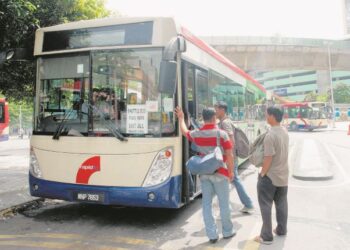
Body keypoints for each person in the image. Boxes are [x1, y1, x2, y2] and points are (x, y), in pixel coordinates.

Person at [175, 106, 236, 243]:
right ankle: (227, 231)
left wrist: (180, 117)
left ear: (203, 118)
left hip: (204, 174)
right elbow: (229, 155)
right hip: (221, 173)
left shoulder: (197, 133)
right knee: (224, 204)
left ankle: (212, 235)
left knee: (206, 205)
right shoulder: (222, 134)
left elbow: (185, 132)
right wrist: (231, 172)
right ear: (214, 118)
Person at [254, 106, 289, 245]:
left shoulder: (270, 135)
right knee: (281, 203)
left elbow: (268, 158)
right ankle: (281, 229)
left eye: (267, 115)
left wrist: (263, 173)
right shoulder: (285, 132)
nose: (265, 117)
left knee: (265, 205)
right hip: (283, 175)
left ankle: (267, 236)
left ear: (273, 116)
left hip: (270, 177)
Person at [214, 101, 254, 213]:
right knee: (233, 179)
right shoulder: (224, 121)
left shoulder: (225, 123)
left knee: (232, 179)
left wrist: (228, 158)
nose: (215, 111)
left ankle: (247, 204)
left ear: (222, 110)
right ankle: (247, 204)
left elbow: (231, 140)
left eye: (216, 108)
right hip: (229, 157)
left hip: (229, 158)